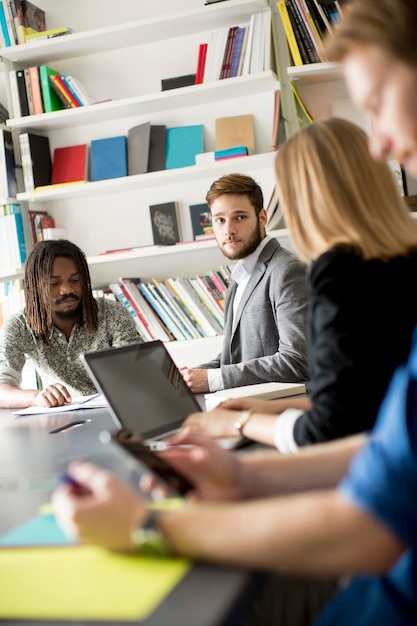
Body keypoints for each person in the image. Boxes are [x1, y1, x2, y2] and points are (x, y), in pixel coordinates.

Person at [52, 1, 417, 624]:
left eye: (380, 101)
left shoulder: (316, 271)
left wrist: (146, 526)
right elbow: (390, 450)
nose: (379, 142)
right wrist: (243, 476)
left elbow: (369, 519)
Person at [182, 118, 417, 451]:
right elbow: (363, 396)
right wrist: (268, 409)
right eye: (220, 219)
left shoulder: (338, 272)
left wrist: (242, 422)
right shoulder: (401, 260)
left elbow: (331, 422)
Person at [179, 173, 309, 394]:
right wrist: (189, 377)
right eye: (220, 220)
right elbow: (233, 358)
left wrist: (211, 379)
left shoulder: (288, 270)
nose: (228, 230)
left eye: (239, 217)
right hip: (244, 405)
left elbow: (297, 361)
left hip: (280, 413)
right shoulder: (239, 278)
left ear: (262, 218)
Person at [0, 239, 141, 409]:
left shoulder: (112, 313)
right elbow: (2, 388)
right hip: (62, 419)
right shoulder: (19, 326)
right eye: (54, 283)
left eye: (75, 280)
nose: (67, 289)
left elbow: (137, 369)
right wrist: (37, 396)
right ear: (35, 286)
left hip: (117, 410)